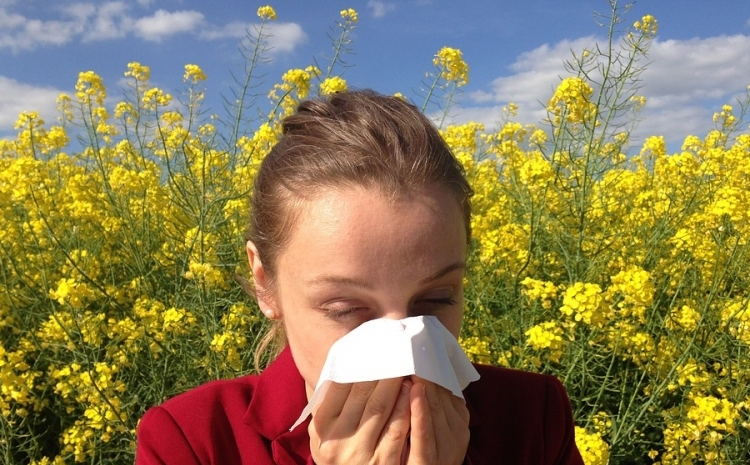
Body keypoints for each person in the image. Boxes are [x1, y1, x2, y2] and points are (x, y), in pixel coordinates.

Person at [135, 90, 584, 464]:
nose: (403, 351)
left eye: (436, 299)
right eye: (346, 308)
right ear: (265, 284)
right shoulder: (191, 442)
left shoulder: (533, 418)